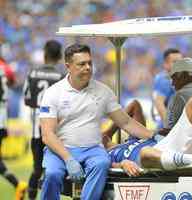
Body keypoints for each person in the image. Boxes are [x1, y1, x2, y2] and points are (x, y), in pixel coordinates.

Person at [39, 43, 153, 200]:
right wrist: (68, 159)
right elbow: (47, 135)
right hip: (60, 150)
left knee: (101, 164)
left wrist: (153, 136)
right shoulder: (53, 93)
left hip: (92, 149)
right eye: (81, 64)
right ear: (68, 66)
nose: (87, 67)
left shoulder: (103, 91)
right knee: (52, 174)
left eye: (89, 63)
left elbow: (126, 123)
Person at [107, 96, 192, 177]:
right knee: (145, 152)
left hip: (168, 148)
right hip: (153, 164)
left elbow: (134, 105)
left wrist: (108, 132)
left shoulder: (133, 138)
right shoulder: (105, 155)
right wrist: (122, 164)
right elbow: (106, 166)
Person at [23, 40, 64, 200]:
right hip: (55, 133)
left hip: (37, 132)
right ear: (60, 56)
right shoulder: (61, 77)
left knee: (37, 169)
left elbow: (27, 100)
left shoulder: (33, 74)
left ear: (44, 54)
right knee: (54, 169)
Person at [0, 56, 27, 200]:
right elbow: (13, 81)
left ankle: (18, 184)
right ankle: (18, 184)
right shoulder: (5, 67)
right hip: (2, 118)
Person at [158, 57, 192, 136]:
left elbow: (168, 131)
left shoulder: (179, 96)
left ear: (183, 75)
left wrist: (155, 133)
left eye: (174, 78)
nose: (173, 84)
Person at [152, 48, 182, 130]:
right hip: (167, 129)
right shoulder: (165, 80)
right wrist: (171, 129)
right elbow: (159, 104)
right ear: (165, 64)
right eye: (175, 62)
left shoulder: (163, 77)